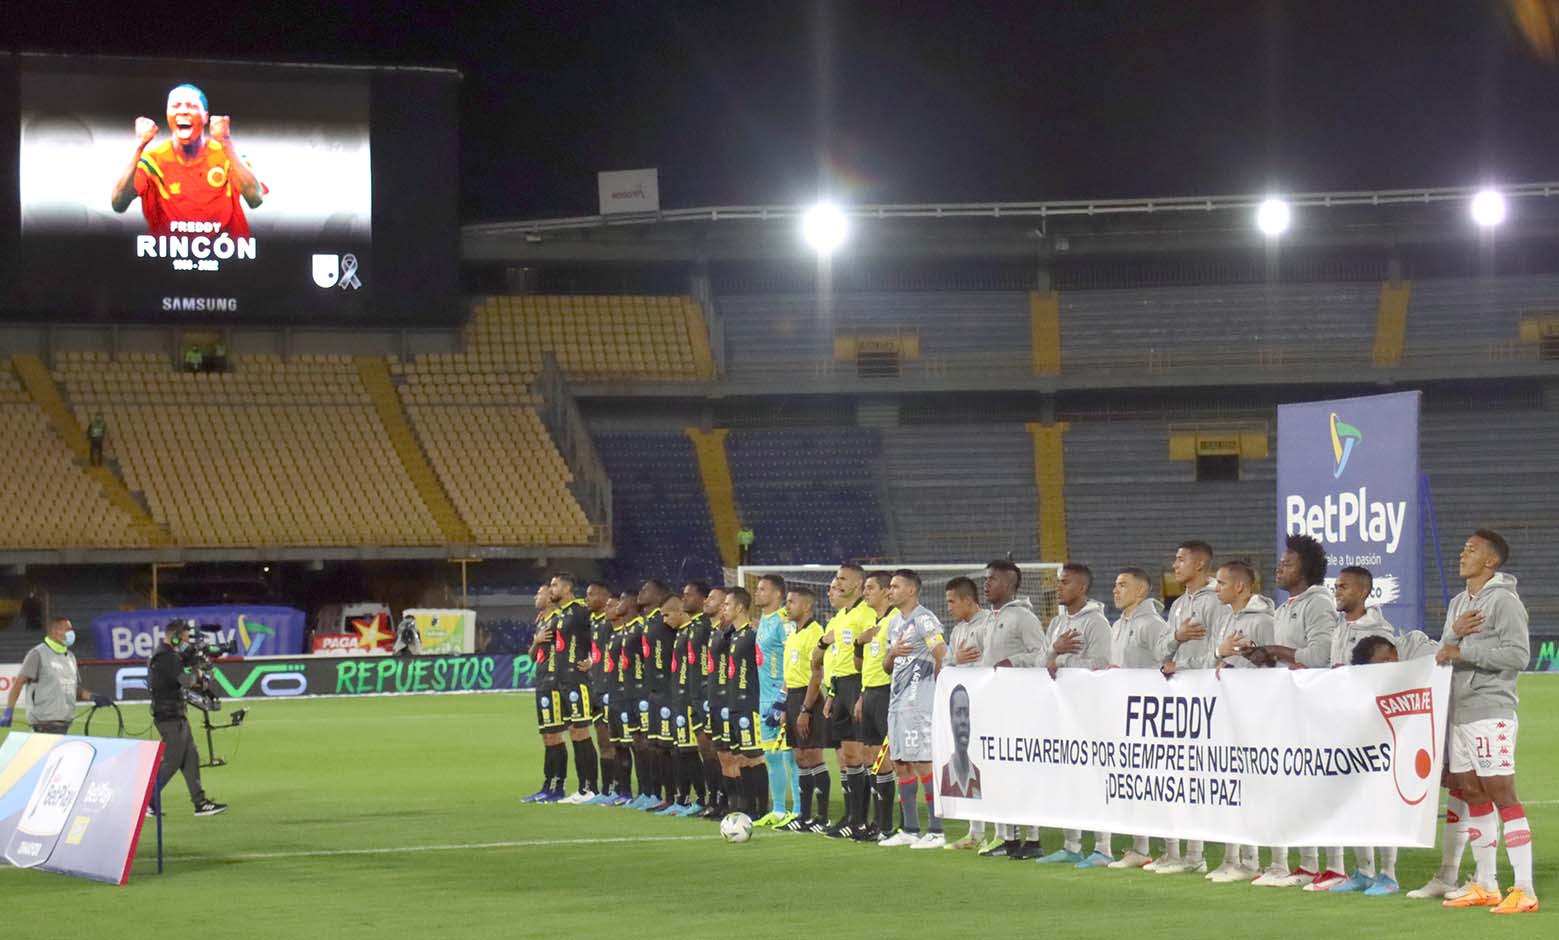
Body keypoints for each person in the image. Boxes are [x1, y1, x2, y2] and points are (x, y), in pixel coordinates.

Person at [1428, 530, 1537, 914]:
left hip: (1491, 709)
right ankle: (1486, 884)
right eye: (1463, 547)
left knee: (1501, 793)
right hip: (1461, 710)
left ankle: (1524, 889)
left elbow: (1518, 654)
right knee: (1472, 794)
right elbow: (1445, 650)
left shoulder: (1505, 600)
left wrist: (1464, 648)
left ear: (1490, 561)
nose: (1463, 553)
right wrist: (1455, 636)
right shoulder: (1461, 601)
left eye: (1471, 549)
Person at [1249, 533, 1337, 888]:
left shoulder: (1318, 603)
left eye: (1288, 562)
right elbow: (1289, 655)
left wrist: (1275, 650)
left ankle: (1336, 866)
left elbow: (1321, 654)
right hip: (1289, 708)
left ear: (1306, 568)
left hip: (1314, 708)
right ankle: (1308, 864)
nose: (1279, 567)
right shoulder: (1284, 607)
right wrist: (1263, 657)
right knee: (1294, 787)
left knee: (1319, 787)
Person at [1318, 566, 1397, 892]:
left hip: (1372, 726)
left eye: (1344, 587)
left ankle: (1389, 874)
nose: (1337, 591)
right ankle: (1364, 871)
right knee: (1350, 799)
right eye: (1336, 586)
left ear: (1364, 592)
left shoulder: (1379, 630)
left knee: (1377, 800)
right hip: (1343, 724)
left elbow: (1388, 678)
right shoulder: (1340, 629)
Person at [1149, 540, 1220, 875]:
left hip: (1210, 699)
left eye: (1180, 560)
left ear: (1201, 565)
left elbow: (1222, 648)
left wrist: (1189, 669)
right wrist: (1176, 638)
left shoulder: (1215, 601)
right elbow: (1162, 650)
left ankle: (1206, 856)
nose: (1174, 565)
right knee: (1181, 778)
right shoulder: (1177, 605)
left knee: (1211, 779)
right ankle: (1182, 853)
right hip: (1181, 700)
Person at [111, 84, 263, 235]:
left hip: (227, 252)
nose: (183, 111)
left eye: (191, 106)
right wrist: (139, 145)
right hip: (167, 253)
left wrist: (226, 142)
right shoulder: (152, 160)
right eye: (176, 106)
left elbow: (255, 199)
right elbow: (118, 203)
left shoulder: (228, 155)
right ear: (167, 114)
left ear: (205, 117)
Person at [1039, 563, 1113, 867]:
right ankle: (1071, 845)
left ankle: (1104, 847)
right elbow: (1042, 660)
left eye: (1065, 582)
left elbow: (1103, 663)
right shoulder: (1057, 623)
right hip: (1062, 710)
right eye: (1059, 582)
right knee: (1067, 779)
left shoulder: (1097, 623)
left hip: (1090, 711)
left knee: (1094, 778)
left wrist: (1065, 660)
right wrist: (1054, 651)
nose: (1058, 586)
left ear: (1081, 587)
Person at [1205, 559, 1274, 883]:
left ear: (1240, 587)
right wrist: (1220, 656)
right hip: (1230, 712)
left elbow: (1270, 666)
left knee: (1260, 787)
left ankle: (1269, 861)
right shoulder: (1226, 617)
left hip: (1257, 716)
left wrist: (1234, 669)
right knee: (1234, 785)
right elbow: (1216, 659)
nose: (1216, 588)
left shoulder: (1262, 620)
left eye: (1220, 583)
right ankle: (1240, 859)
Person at [977, 559, 1049, 859]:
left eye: (992, 579)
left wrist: (1013, 662)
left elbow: (1040, 654)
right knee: (999, 771)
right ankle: (1006, 838)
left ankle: (1032, 839)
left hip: (1020, 704)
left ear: (1009, 584)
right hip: (995, 704)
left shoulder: (1024, 618)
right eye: (986, 579)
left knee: (1022, 771)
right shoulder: (990, 618)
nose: (986, 584)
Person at [1102, 568, 1169, 870]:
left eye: (1123, 585)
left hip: (1151, 719)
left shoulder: (1152, 625)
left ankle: (1176, 851)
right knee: (1135, 785)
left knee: (1158, 786)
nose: (1116, 590)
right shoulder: (1118, 625)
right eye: (1115, 585)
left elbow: (1166, 664)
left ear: (1141, 592)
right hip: (1125, 717)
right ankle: (1140, 848)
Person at [878, 569, 948, 849]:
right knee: (901, 764)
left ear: (911, 591)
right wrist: (892, 653)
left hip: (918, 705)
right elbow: (886, 667)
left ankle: (937, 830)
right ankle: (909, 829)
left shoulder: (924, 619)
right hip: (897, 704)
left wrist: (935, 697)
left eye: (894, 586)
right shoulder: (894, 623)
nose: (889, 591)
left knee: (922, 763)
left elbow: (941, 654)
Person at [807, 563, 874, 837]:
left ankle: (861, 820)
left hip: (858, 685)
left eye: (843, 579)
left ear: (858, 584)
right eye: (836, 578)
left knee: (859, 755)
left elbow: (869, 654)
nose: (838, 583)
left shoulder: (866, 613)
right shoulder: (839, 619)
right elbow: (832, 660)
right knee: (846, 757)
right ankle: (850, 817)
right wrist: (832, 693)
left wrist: (862, 693)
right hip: (840, 687)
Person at [145, 619, 227, 816]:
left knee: (191, 757)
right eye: (183, 638)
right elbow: (187, 681)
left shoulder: (168, 654)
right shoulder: (166, 657)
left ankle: (200, 803)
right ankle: (147, 801)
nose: (186, 642)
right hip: (170, 717)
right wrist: (199, 674)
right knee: (172, 761)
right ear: (174, 638)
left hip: (175, 715)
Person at [941, 577, 993, 850]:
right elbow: (947, 662)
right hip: (965, 709)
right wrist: (955, 660)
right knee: (971, 762)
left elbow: (992, 661)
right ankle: (975, 832)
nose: (947, 606)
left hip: (987, 705)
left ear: (967, 600)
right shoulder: (958, 630)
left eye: (951, 601)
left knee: (991, 767)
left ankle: (1001, 832)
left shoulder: (989, 624)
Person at [1, 617, 109, 733]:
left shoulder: (70, 657)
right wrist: (9, 711)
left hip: (64, 724)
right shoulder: (38, 654)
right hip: (43, 725)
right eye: (68, 629)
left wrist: (93, 697)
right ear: (55, 631)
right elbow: (18, 683)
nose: (71, 633)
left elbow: (71, 688)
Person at [853, 571, 898, 841]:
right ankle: (877, 822)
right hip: (868, 692)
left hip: (886, 693)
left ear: (884, 592)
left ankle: (888, 825)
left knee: (887, 761)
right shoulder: (873, 622)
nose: (865, 592)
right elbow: (861, 666)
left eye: (870, 588)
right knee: (870, 760)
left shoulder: (895, 622)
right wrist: (860, 642)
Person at [549, 573, 601, 804]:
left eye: (555, 585)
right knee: (573, 732)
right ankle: (582, 788)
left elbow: (599, 635)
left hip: (577, 681)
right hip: (562, 681)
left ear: (567, 587)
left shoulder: (580, 611)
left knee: (581, 732)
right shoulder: (559, 615)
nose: (551, 589)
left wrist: (593, 658)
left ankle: (590, 787)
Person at [780, 587, 828, 832]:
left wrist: (806, 709)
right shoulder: (793, 634)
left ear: (807, 606)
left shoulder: (815, 633)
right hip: (793, 698)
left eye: (792, 602)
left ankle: (822, 817)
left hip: (809, 698)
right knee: (799, 757)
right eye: (787, 602)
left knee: (813, 756)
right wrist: (783, 705)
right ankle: (805, 816)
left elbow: (816, 675)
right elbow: (789, 674)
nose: (787, 606)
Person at [751, 574, 797, 828]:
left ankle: (798, 810)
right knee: (771, 756)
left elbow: (793, 657)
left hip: (782, 697)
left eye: (762, 589)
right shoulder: (764, 622)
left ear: (777, 594)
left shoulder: (783, 621)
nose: (757, 593)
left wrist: (783, 697)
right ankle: (779, 810)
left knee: (791, 756)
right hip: (764, 698)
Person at [724, 588, 768, 815]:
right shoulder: (734, 635)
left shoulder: (753, 636)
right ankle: (748, 807)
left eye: (728, 604)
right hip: (733, 704)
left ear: (740, 607)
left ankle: (761, 808)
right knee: (740, 758)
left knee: (754, 757)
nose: (725, 609)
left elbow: (764, 664)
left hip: (749, 704)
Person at [522, 585, 567, 802]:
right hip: (541, 682)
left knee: (555, 734)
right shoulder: (541, 621)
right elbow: (532, 656)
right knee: (547, 736)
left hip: (554, 684)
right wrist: (536, 641)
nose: (535, 596)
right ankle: (548, 785)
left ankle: (557, 786)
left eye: (539, 593)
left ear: (550, 597)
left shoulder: (560, 620)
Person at [631, 580, 674, 810]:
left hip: (667, 692)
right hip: (651, 693)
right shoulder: (647, 622)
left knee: (669, 747)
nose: (641, 592)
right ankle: (656, 794)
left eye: (645, 589)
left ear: (659, 595)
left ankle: (677, 796)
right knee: (653, 745)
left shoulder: (666, 620)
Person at [693, 584, 730, 818]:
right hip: (706, 695)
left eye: (713, 598)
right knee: (708, 748)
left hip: (726, 699)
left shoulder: (729, 633)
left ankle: (728, 800)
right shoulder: (710, 630)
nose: (706, 600)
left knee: (725, 752)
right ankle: (715, 798)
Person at [603, 591, 642, 806]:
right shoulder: (618, 633)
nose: (612, 608)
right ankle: (623, 790)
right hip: (616, 696)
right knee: (618, 745)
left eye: (617, 603)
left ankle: (643, 792)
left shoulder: (639, 629)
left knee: (634, 746)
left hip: (631, 696)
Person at [583, 580, 618, 804]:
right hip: (595, 688)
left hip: (610, 689)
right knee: (603, 741)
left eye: (591, 595)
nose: (587, 599)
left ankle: (618, 788)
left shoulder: (611, 622)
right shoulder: (593, 622)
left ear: (605, 597)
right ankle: (606, 790)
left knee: (616, 741)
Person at [939, 684, 981, 800]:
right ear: (950, 719)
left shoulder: (979, 775)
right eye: (958, 713)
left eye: (967, 714)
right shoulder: (943, 776)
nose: (963, 721)